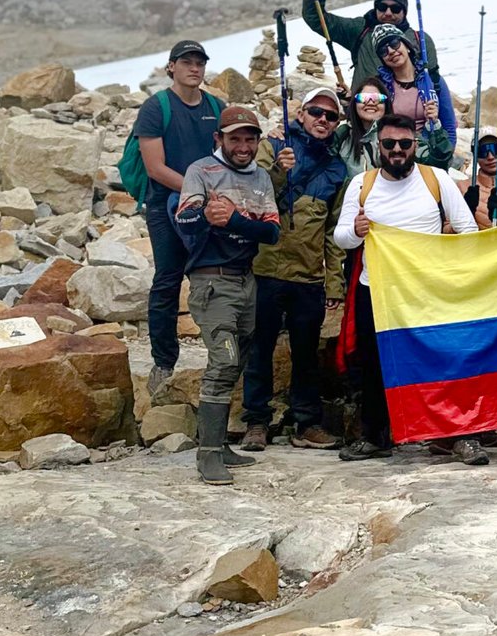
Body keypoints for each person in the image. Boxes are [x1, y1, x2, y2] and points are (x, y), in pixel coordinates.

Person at [332, 112, 479, 462]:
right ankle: (376, 436)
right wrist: (356, 231)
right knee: (375, 365)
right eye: (389, 143)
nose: (397, 150)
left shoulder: (436, 179)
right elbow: (341, 238)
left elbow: (468, 230)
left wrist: (449, 266)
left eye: (404, 143)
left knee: (444, 362)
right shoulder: (361, 185)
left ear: (415, 144)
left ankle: (456, 435)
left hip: (427, 291)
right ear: (378, 145)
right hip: (376, 291)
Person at [173, 106, 281, 486]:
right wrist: (206, 213)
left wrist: (234, 219)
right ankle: (208, 455)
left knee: (240, 360)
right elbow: (184, 220)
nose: (243, 146)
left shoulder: (261, 176)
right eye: (235, 139)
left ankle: (219, 445)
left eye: (250, 139)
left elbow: (272, 232)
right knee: (224, 360)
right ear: (219, 139)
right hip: (212, 281)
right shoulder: (200, 171)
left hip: (246, 280)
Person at [240, 90, 348, 450]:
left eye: (331, 116)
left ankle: (307, 423)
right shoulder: (273, 147)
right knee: (260, 349)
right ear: (301, 114)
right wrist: (278, 171)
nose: (323, 119)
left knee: (306, 354)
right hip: (265, 270)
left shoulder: (336, 169)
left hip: (309, 277)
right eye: (316, 111)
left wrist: (335, 284)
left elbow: (333, 231)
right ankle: (256, 421)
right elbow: (253, 199)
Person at [134, 40, 225, 400]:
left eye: (199, 62)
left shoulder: (215, 107)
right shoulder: (156, 107)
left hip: (208, 205)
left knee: (214, 276)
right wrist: (196, 190)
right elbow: (155, 167)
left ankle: (222, 356)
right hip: (164, 204)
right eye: (186, 62)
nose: (194, 68)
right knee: (168, 278)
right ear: (171, 67)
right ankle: (163, 361)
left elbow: (230, 152)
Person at [301, 0, 458, 144]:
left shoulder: (421, 40)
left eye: (395, 8)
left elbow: (435, 84)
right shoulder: (358, 30)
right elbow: (316, 18)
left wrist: (444, 144)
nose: (388, 13)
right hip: (364, 129)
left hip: (419, 141)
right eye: (382, 7)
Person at [374, 23, 453, 166]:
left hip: (432, 155)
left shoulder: (434, 80)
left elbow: (450, 127)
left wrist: (445, 158)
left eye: (394, 43)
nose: (391, 51)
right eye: (383, 51)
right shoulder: (381, 87)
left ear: (407, 46)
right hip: (397, 157)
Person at [335, 81, 388, 176]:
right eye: (363, 98)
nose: (371, 102)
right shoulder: (343, 134)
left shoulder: (398, 134)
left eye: (378, 98)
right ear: (355, 104)